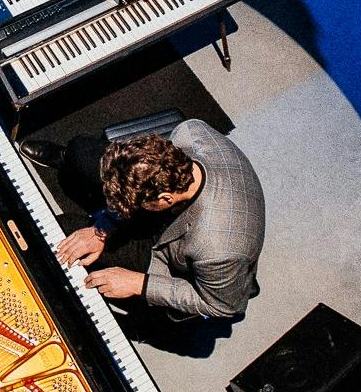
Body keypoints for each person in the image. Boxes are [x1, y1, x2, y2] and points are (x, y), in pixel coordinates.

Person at [45, 123, 266, 327]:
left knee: (63, 228)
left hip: (172, 249)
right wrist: (102, 228)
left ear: (165, 199)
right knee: (79, 151)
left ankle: (222, 279)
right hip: (172, 213)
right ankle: (67, 158)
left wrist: (137, 283)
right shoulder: (190, 133)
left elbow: (222, 307)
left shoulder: (217, 250)